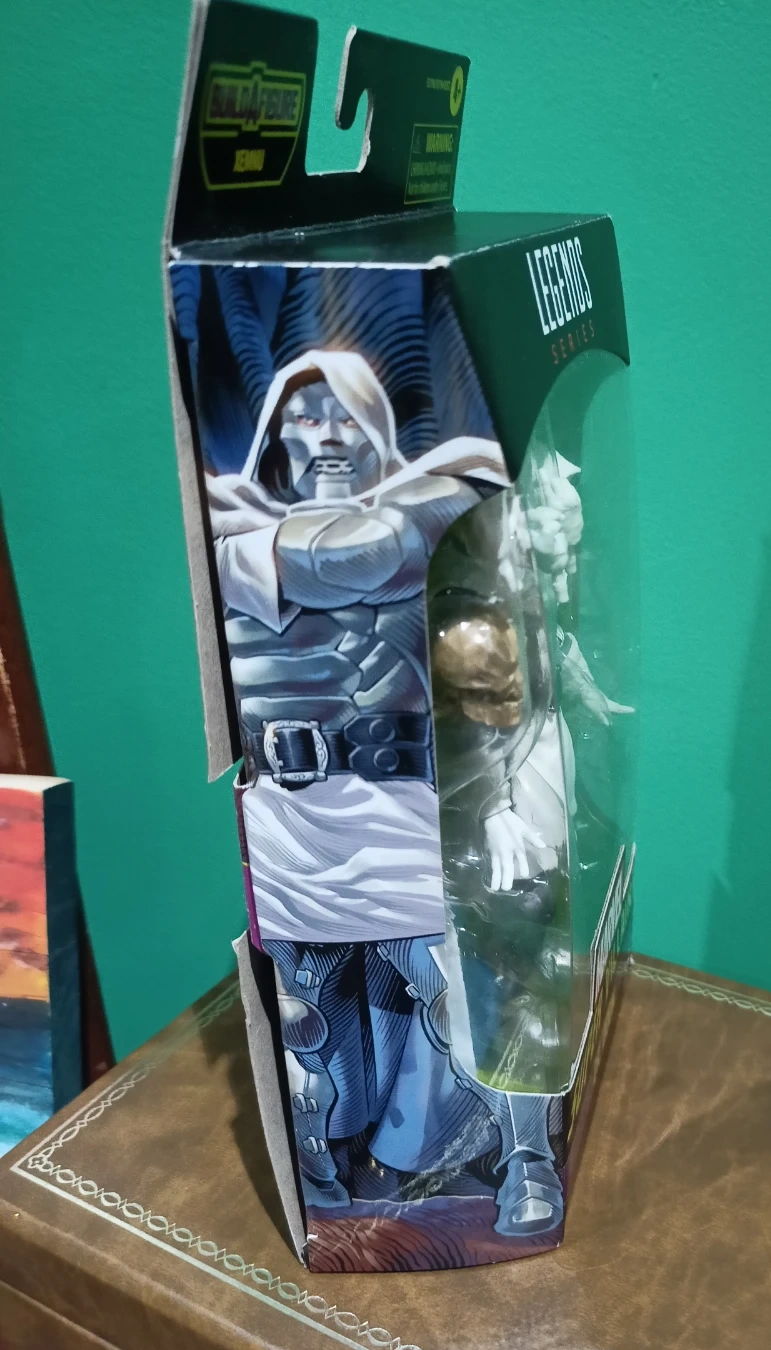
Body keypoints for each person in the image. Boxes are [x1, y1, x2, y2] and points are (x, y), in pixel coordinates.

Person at [209, 348, 563, 1236]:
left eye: (344, 414)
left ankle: (528, 1162)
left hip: (403, 815)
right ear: (274, 433)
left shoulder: (439, 506)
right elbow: (359, 555)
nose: (325, 435)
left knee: (470, 991)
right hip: (291, 828)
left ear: (377, 428)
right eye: (304, 414)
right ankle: (319, 1173)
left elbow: (488, 679)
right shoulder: (228, 526)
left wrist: (506, 800)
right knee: (307, 1028)